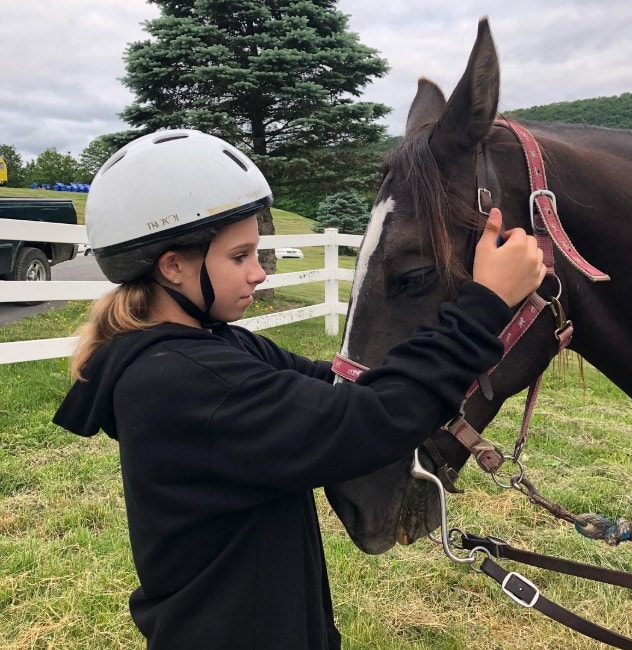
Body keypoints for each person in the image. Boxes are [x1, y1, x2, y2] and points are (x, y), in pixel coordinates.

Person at [53, 129, 546, 650]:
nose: (259, 274)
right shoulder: (185, 382)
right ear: (173, 266)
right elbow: (370, 420)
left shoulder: (217, 349)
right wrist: (485, 304)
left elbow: (347, 388)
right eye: (239, 257)